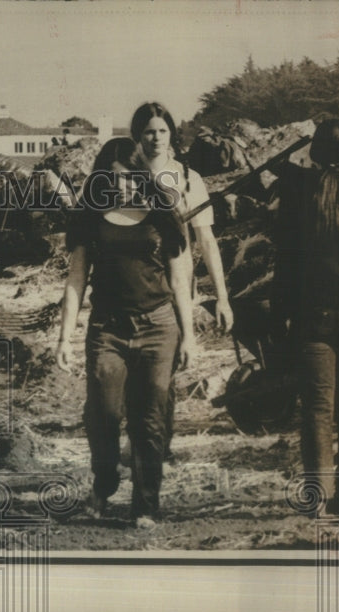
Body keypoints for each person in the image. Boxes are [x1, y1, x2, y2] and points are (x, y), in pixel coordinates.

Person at [57, 137, 197, 528]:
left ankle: (146, 504)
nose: (123, 187)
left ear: (141, 174)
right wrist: (64, 338)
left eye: (130, 178)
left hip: (158, 326)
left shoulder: (161, 214)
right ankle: (104, 481)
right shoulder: (89, 219)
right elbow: (76, 280)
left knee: (149, 419)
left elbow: (179, 280)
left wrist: (189, 335)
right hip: (108, 329)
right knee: (103, 413)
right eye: (114, 179)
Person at [270, 119, 339, 517]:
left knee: (316, 410)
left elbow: (285, 265)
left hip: (314, 318)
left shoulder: (298, 199)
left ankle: (318, 498)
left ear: (314, 154)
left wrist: (280, 318)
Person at [127, 103, 234, 461]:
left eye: (162, 131)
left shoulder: (189, 179)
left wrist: (222, 297)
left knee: (165, 370)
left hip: (177, 285)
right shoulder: (123, 178)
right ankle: (144, 437)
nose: (155, 138)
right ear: (137, 136)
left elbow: (207, 242)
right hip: (134, 285)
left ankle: (157, 442)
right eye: (148, 132)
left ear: (172, 134)